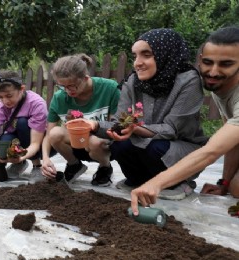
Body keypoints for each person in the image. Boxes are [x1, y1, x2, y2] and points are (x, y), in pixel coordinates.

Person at [85, 28, 207, 201]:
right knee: (119, 143)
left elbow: (171, 129)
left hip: (179, 147)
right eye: (135, 56)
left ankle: (178, 183)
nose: (137, 63)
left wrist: (134, 128)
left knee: (154, 147)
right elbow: (120, 122)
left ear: (166, 54)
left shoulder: (188, 80)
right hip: (145, 142)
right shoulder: (133, 81)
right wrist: (94, 125)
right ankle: (138, 180)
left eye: (146, 55)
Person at [131, 26, 239, 213]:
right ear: (200, 60)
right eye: (207, 62)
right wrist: (224, 183)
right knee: (235, 187)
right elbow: (233, 143)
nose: (213, 72)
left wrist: (156, 184)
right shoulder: (220, 86)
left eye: (226, 64)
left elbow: (212, 151)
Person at [41, 54, 120, 186]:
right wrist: (45, 158)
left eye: (72, 85)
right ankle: (74, 164)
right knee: (55, 133)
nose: (68, 91)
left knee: (94, 142)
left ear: (85, 78)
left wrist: (93, 126)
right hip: (77, 144)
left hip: (103, 145)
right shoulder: (59, 98)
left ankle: (105, 167)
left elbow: (116, 126)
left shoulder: (109, 88)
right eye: (62, 86)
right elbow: (49, 134)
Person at [0, 71, 48, 188]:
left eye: (9, 96)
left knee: (22, 122)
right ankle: (20, 164)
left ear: (21, 89)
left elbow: (35, 144)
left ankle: (36, 166)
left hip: (41, 143)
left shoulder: (36, 104)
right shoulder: (1, 107)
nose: (5, 101)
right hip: (18, 140)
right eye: (0, 97)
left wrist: (21, 156)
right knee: (2, 142)